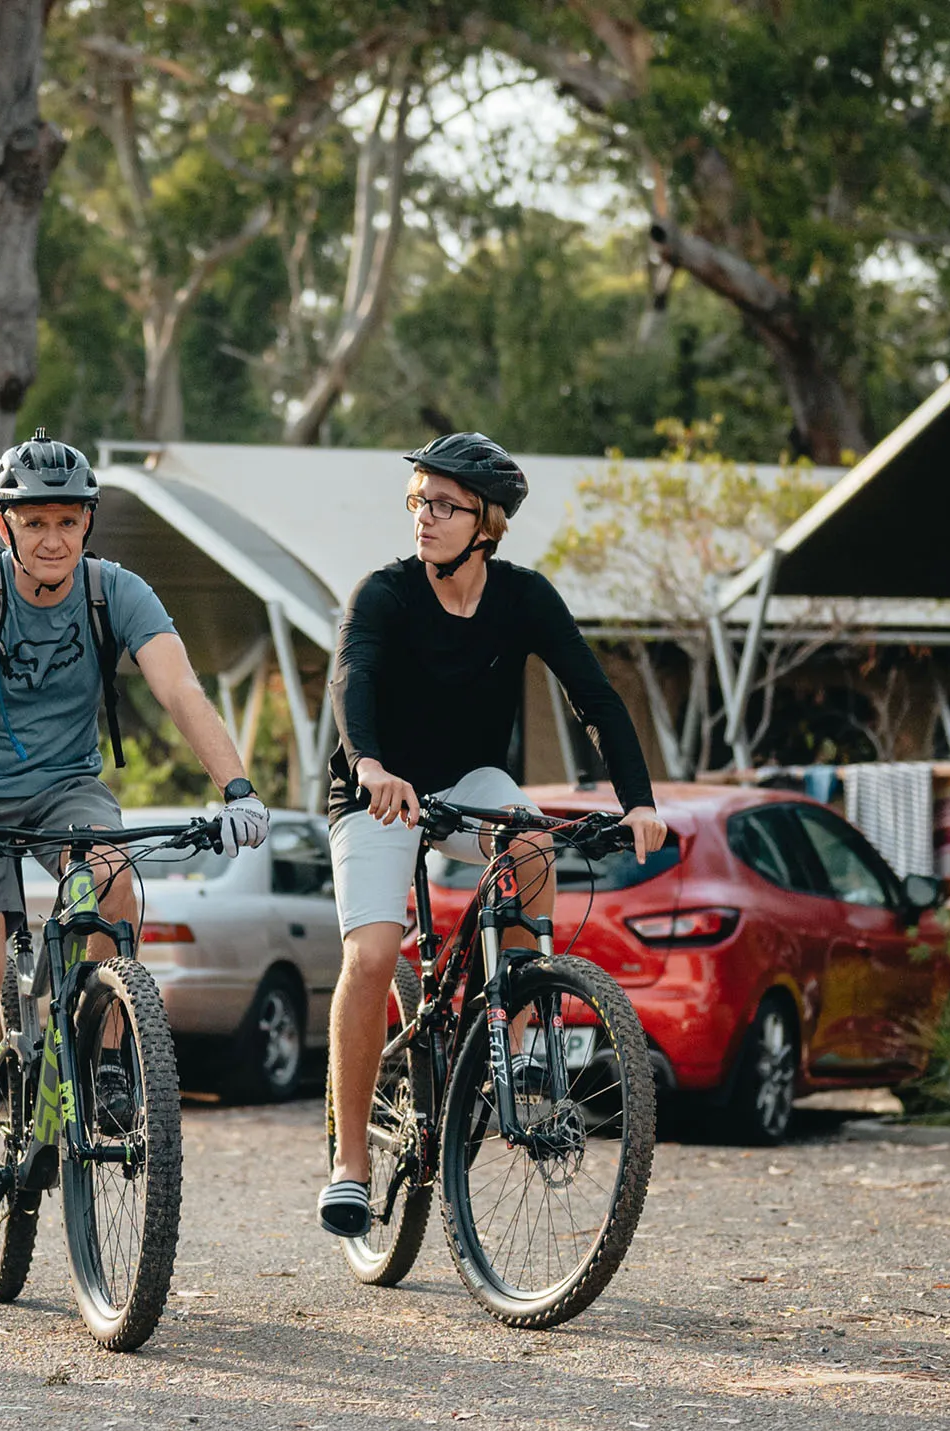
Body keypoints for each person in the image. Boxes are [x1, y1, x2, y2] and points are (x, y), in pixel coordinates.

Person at [0, 430, 269, 1232]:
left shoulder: (114, 592)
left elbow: (181, 688)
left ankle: (112, 1049)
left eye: (68, 521)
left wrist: (237, 789)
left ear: (88, 524)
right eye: (34, 522)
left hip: (67, 791)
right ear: (5, 524)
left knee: (117, 879)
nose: (52, 538)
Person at [318, 431, 668, 1237]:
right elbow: (353, 678)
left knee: (531, 840)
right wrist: (370, 765)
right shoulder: (384, 593)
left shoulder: (523, 597)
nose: (424, 517)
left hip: (467, 783)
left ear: (488, 523)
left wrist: (638, 799)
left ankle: (501, 1035)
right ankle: (349, 1164)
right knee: (373, 953)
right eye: (418, 501)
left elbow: (595, 697)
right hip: (375, 790)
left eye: (444, 504)